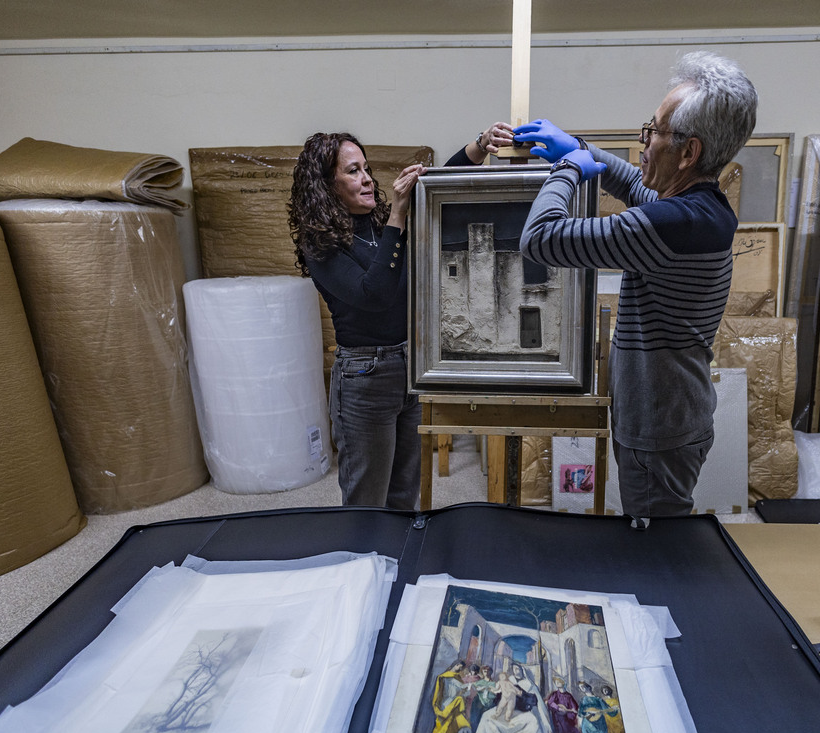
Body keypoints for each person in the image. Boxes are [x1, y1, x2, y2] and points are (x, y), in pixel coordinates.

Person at [515, 51, 758, 528]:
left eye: (654, 132)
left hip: (659, 428)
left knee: (656, 551)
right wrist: (581, 148)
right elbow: (637, 185)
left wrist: (567, 170)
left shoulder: (671, 224)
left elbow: (539, 240)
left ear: (688, 152)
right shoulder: (699, 207)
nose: (643, 144)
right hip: (669, 414)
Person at [287, 124, 514, 509]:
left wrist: (480, 145)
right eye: (352, 171)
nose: (367, 180)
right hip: (363, 377)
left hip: (407, 366)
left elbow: (441, 184)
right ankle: (362, 567)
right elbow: (374, 294)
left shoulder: (379, 223)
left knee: (404, 494)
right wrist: (398, 218)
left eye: (366, 168)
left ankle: (393, 567)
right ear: (327, 185)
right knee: (367, 500)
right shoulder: (321, 243)